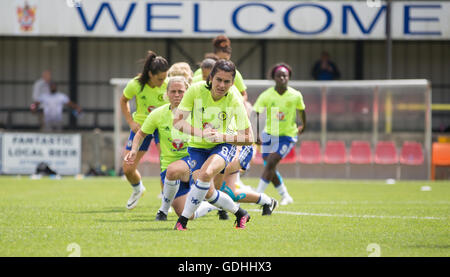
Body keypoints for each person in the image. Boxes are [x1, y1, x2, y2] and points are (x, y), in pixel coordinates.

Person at [172, 60, 254, 230]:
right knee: (208, 192)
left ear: (232, 83)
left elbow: (249, 137)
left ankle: (182, 221)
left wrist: (220, 136)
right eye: (218, 79)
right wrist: (202, 134)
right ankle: (240, 213)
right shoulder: (195, 90)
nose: (222, 85)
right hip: (196, 147)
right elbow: (178, 122)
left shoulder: (234, 99)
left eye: (227, 81)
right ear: (211, 77)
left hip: (223, 145)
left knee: (206, 173)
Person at [120, 50, 169, 210]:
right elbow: (123, 100)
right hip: (142, 127)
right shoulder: (136, 84)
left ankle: (166, 202)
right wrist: (130, 121)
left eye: (165, 77)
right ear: (150, 74)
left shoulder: (169, 84)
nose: (163, 81)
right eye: (160, 78)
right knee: (128, 168)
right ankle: (137, 189)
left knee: (166, 163)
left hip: (163, 127)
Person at [253, 63, 306, 205]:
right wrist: (255, 133)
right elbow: (255, 113)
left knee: (271, 162)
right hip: (269, 134)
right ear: (274, 78)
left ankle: (258, 196)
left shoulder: (295, 95)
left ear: (289, 77)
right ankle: (285, 195)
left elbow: (302, 110)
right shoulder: (267, 95)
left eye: (285, 76)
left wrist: (304, 125)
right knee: (270, 166)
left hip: (287, 136)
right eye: (279, 75)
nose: (282, 78)